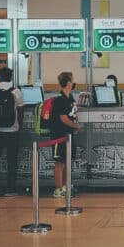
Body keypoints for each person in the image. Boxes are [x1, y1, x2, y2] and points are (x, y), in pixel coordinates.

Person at [0, 66, 23, 197]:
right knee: (11, 161)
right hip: (12, 130)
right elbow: (20, 111)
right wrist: (18, 126)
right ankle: (10, 189)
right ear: (11, 77)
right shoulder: (16, 91)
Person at [50, 71, 80, 199]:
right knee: (59, 162)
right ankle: (58, 189)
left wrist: (75, 125)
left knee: (67, 162)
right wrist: (75, 125)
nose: (74, 82)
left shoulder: (70, 98)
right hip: (59, 135)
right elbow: (64, 119)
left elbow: (72, 114)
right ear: (68, 82)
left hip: (69, 135)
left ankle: (65, 186)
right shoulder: (60, 99)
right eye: (72, 79)